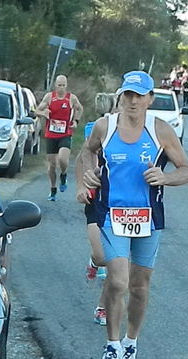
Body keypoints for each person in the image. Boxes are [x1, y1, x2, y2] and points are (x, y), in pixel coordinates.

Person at [79, 70, 188, 359]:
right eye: (127, 95)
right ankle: (112, 346)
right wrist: (86, 179)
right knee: (117, 281)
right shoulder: (105, 127)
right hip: (111, 215)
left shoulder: (161, 132)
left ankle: (130, 344)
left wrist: (166, 177)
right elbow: (87, 153)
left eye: (139, 96)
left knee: (140, 287)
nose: (132, 101)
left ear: (150, 99)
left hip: (148, 219)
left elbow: (186, 169)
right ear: (121, 97)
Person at [76, 120, 109, 326]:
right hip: (96, 200)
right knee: (101, 256)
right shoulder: (99, 128)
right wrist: (81, 187)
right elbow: (81, 158)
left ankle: (103, 307)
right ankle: (94, 261)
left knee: (117, 263)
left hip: (122, 205)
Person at [35, 75, 83, 201]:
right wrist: (43, 113)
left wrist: (76, 121)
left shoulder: (71, 98)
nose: (61, 88)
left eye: (63, 85)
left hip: (65, 133)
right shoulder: (49, 97)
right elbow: (37, 110)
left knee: (62, 158)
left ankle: (63, 174)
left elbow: (79, 108)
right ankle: (53, 189)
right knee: (51, 164)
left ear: (66, 85)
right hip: (51, 134)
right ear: (55, 85)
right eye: (59, 85)